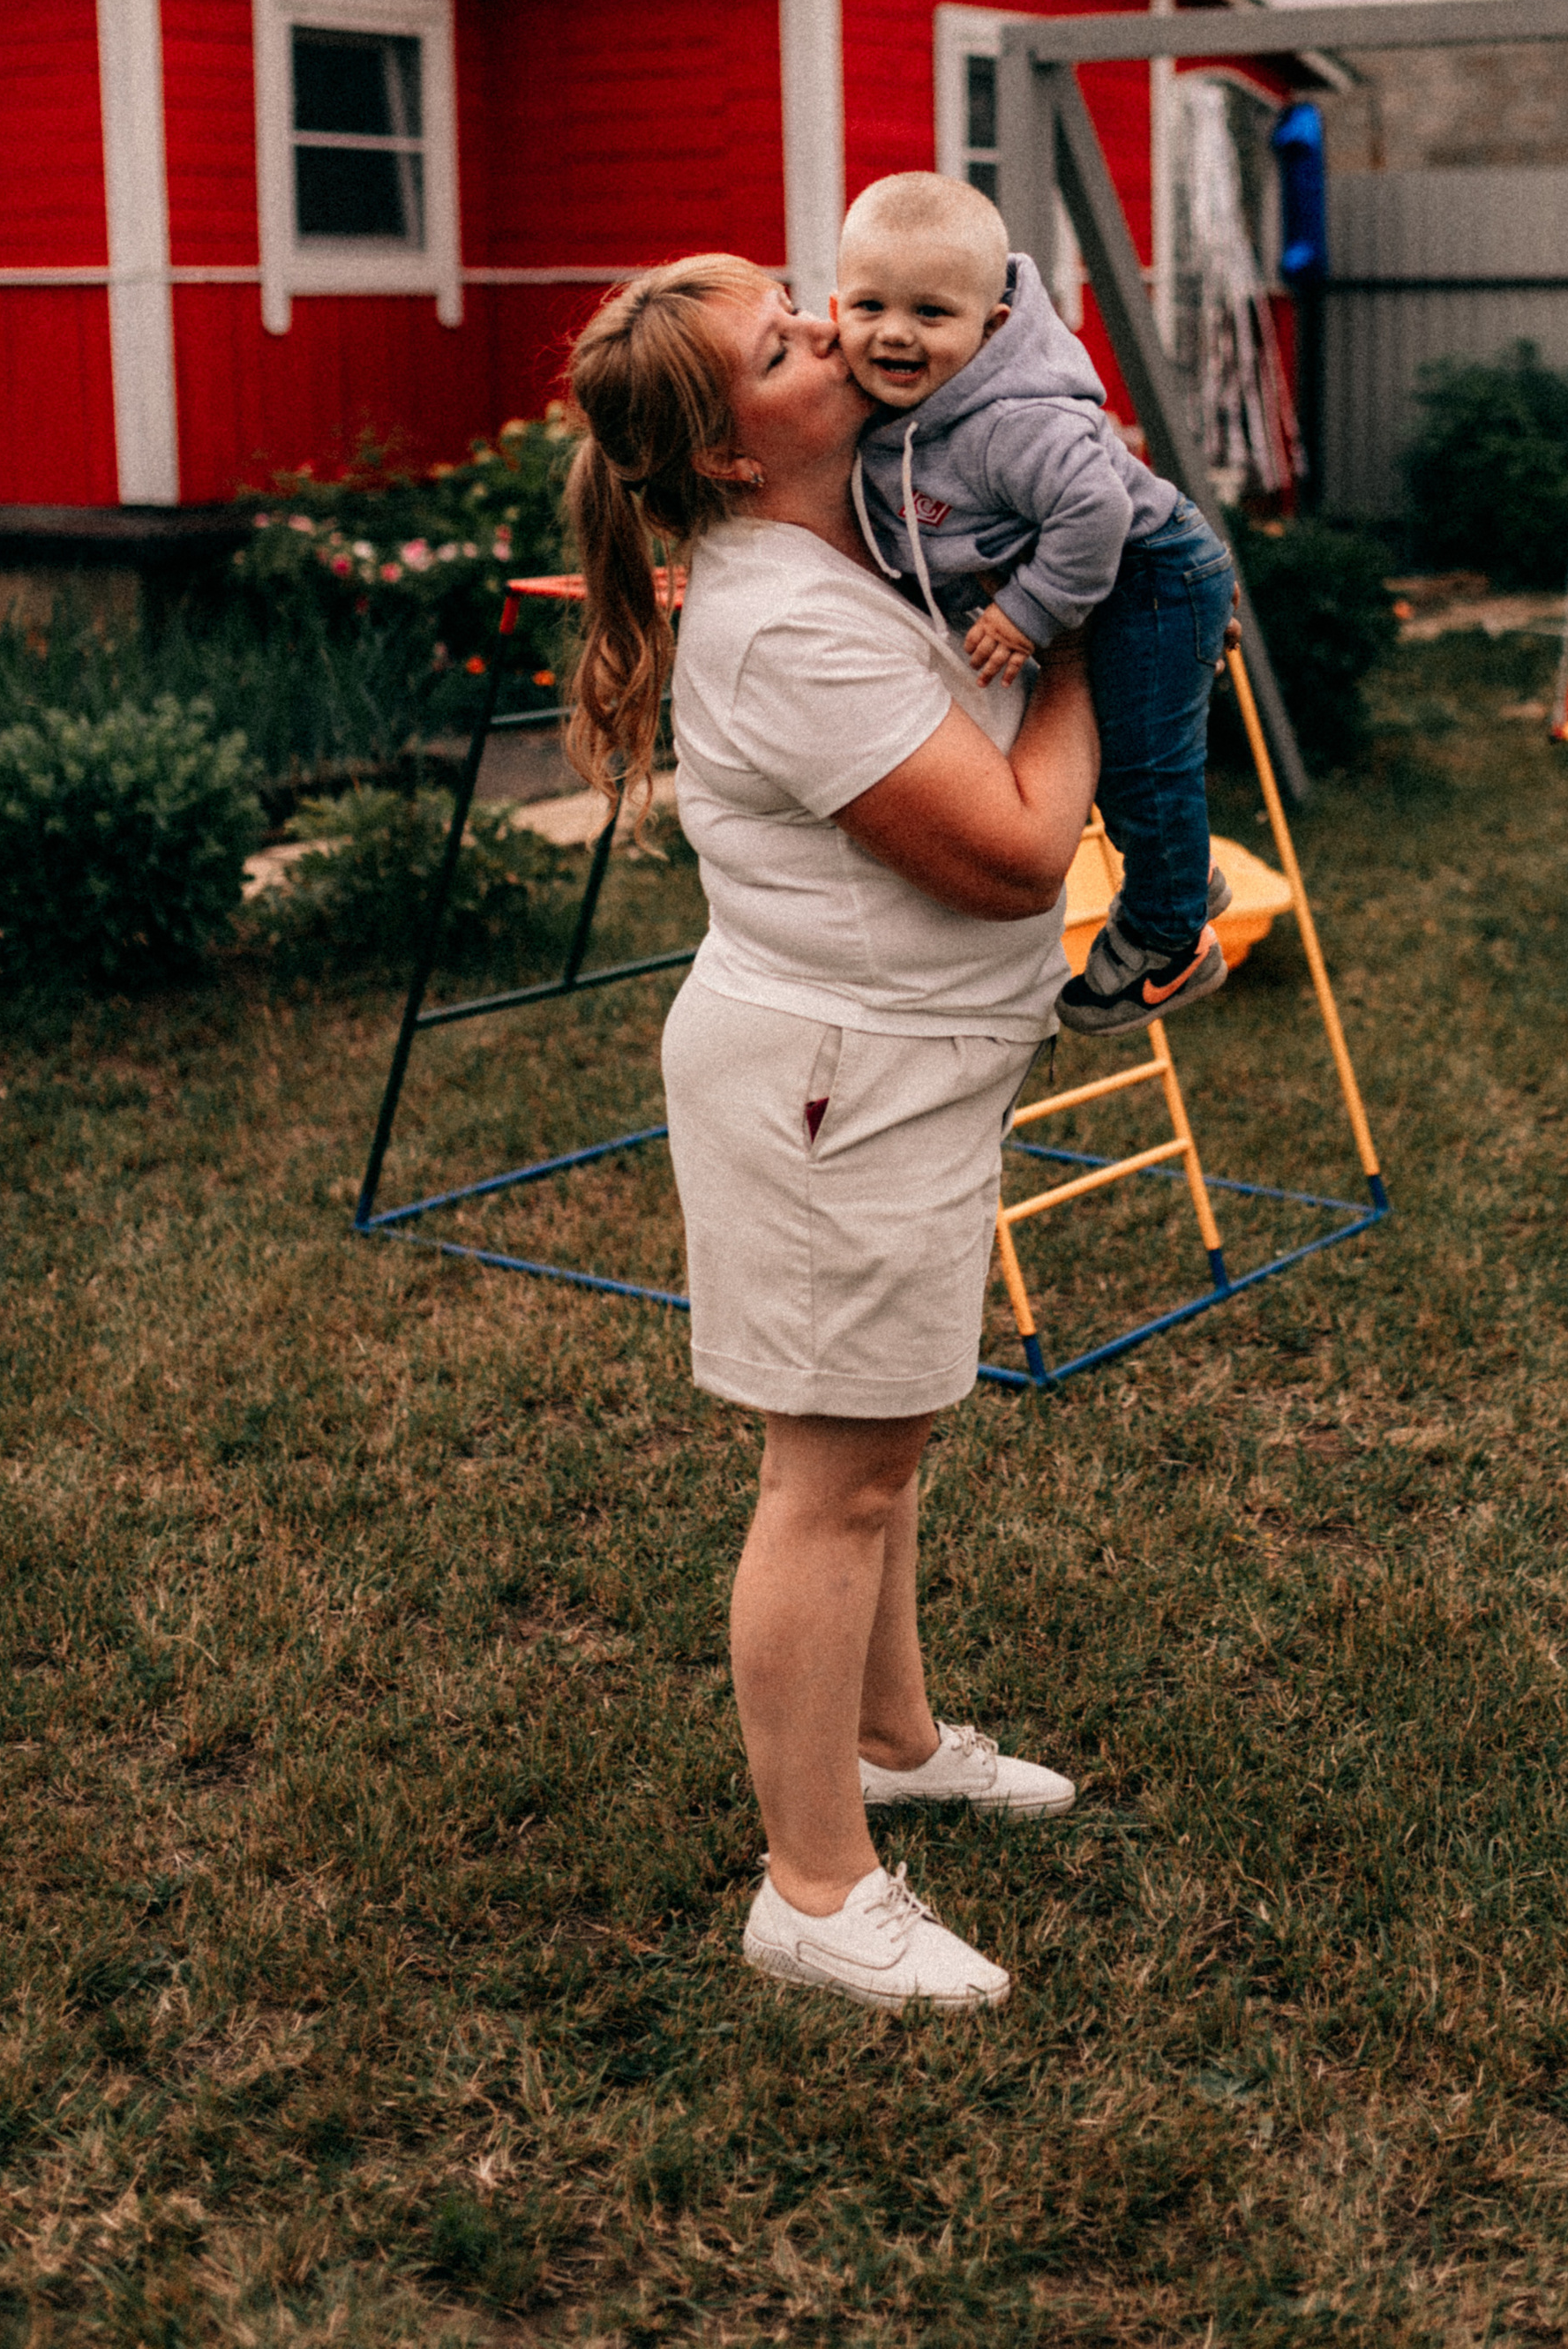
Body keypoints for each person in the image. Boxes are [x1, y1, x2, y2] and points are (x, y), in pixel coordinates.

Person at [561, 251, 1099, 2014]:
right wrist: (1111, 623)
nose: (835, 331)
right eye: (786, 340)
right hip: (830, 1094)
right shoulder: (782, 618)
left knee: (884, 1442)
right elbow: (1018, 848)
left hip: (883, 1075)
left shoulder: (839, 545)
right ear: (732, 447)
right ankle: (811, 1887)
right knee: (832, 1475)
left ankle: (889, 1738)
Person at [834, 170, 1237, 1035]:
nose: (895, 333)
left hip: (1149, 567)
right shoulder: (884, 408)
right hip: (1101, 574)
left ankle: (1170, 944)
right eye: (868, 306)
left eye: (931, 314)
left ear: (994, 326)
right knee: (1122, 758)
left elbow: (1098, 510)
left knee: (1139, 761)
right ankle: (1182, 874)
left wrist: (1027, 612)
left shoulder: (1014, 420)